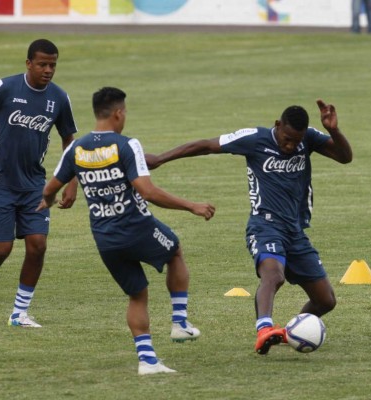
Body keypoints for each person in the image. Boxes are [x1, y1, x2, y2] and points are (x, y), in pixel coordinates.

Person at [146, 100, 352, 355]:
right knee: (273, 275)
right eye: (287, 139)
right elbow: (206, 145)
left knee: (326, 300)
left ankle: (291, 332)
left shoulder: (307, 138)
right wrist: (160, 159)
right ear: (277, 125)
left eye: (295, 142)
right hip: (265, 226)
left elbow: (345, 157)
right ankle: (264, 328)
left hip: (295, 232)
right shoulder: (255, 139)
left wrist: (333, 130)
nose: (290, 146)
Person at [38, 87, 215, 374]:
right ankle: (180, 323)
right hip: (136, 226)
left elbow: (49, 189)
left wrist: (47, 203)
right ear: (119, 113)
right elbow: (147, 191)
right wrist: (190, 205)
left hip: (105, 238)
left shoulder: (76, 148)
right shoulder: (126, 144)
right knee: (175, 250)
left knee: (138, 294)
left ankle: (147, 361)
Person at [0, 39, 77, 328]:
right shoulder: (5, 87)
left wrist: (71, 181)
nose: (48, 70)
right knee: (1, 249)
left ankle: (19, 313)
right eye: (42, 64)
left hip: (35, 186)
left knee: (37, 245)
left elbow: (70, 140)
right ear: (28, 63)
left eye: (53, 64)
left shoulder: (59, 98)